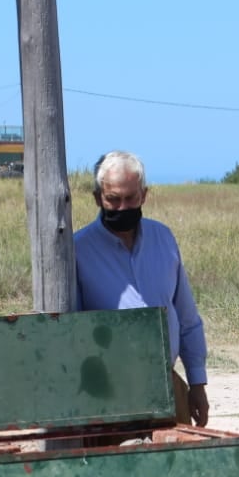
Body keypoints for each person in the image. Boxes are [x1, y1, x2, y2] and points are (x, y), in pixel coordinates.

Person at [74, 150, 209, 426]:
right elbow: (71, 330)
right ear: (98, 197)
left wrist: (197, 383)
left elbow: (187, 319)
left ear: (144, 195)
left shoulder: (164, 239)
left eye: (131, 198)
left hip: (166, 383)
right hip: (107, 394)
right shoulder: (77, 250)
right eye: (113, 199)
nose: (123, 207)